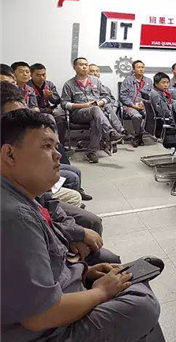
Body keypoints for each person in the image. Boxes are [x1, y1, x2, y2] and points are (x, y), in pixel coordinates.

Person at [0, 109, 164, 342]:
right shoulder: (15, 218)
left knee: (129, 281)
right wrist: (100, 291)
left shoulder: (22, 194)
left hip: (58, 298)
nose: (58, 155)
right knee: (143, 305)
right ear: (9, 154)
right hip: (46, 331)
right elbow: (39, 317)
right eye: (46, 146)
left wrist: (85, 275)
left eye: (56, 147)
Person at [61, 57, 124, 163]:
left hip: (96, 113)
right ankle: (110, 132)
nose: (84, 67)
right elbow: (64, 103)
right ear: (74, 67)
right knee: (95, 110)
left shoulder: (96, 81)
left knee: (96, 120)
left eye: (86, 64)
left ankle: (91, 151)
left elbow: (107, 97)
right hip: (78, 113)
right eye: (81, 64)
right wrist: (83, 105)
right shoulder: (69, 84)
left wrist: (101, 102)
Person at [120, 60, 152, 147]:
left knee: (151, 115)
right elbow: (123, 96)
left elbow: (150, 95)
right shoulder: (127, 80)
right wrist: (133, 105)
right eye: (138, 67)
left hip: (143, 106)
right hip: (130, 106)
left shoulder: (149, 81)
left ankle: (140, 134)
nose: (141, 69)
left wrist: (144, 103)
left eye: (142, 67)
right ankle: (138, 136)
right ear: (133, 69)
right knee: (137, 116)